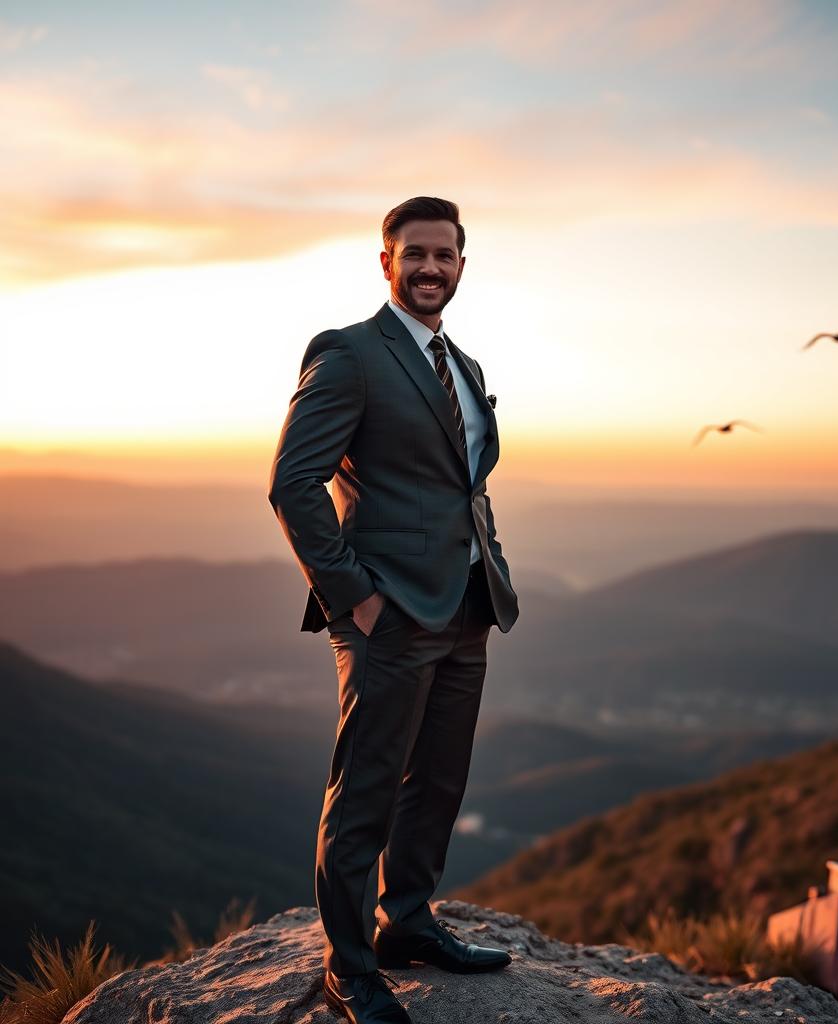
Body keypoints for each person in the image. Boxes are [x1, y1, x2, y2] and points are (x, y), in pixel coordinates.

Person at [268, 196, 519, 1024]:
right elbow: (292, 484)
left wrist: (490, 570)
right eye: (414, 254)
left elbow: (463, 485)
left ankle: (406, 922)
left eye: (444, 255)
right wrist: (356, 599)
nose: (430, 268)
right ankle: (350, 968)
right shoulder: (350, 354)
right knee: (367, 791)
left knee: (438, 782)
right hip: (387, 614)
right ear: (386, 262)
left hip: (464, 607)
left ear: (461, 266)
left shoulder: (466, 365)